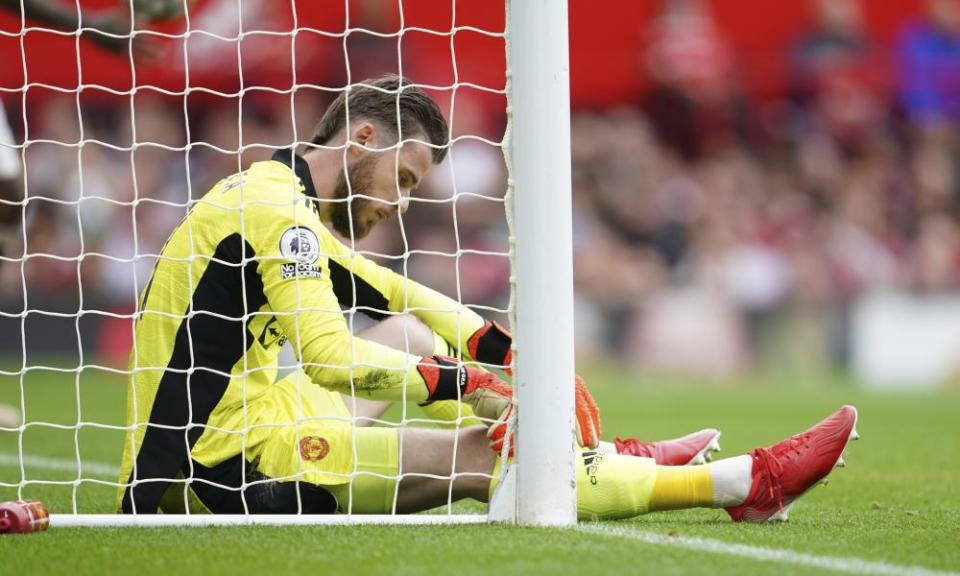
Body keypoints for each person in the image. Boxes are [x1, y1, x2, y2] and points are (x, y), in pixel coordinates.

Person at [116, 75, 858, 521]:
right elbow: (329, 357)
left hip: (256, 418)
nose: (403, 205)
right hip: (214, 472)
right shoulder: (280, 213)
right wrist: (472, 381)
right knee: (486, 459)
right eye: (403, 180)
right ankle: (741, 484)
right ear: (363, 138)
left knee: (407, 332)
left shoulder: (280, 192)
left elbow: (395, 293)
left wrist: (508, 356)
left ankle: (596, 455)